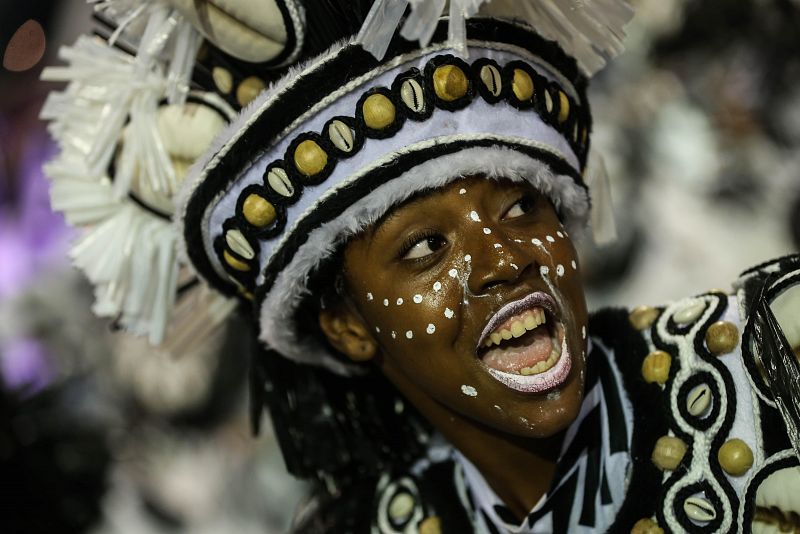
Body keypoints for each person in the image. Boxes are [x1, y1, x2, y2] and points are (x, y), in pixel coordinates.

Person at [42, 1, 800, 532]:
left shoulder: (774, 365)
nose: (503, 260)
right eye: (425, 248)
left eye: (520, 210)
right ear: (347, 326)